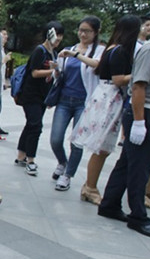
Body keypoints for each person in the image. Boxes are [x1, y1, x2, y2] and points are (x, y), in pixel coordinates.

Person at [98, 7, 150, 239]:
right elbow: (138, 86)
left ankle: (110, 204)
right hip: (147, 112)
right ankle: (138, 216)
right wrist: (139, 122)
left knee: (128, 162)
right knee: (140, 167)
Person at [71, 16, 141, 204]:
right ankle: (90, 187)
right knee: (102, 147)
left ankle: (89, 186)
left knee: (102, 147)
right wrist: (139, 74)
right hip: (110, 98)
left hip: (104, 95)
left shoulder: (111, 48)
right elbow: (118, 79)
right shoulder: (120, 51)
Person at [48, 16, 103, 191]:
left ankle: (67, 175)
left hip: (84, 102)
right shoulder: (69, 49)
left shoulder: (99, 50)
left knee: (77, 142)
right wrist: (56, 70)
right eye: (81, 30)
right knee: (55, 139)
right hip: (65, 100)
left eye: (87, 31)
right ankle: (62, 162)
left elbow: (96, 65)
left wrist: (76, 55)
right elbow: (60, 74)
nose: (83, 34)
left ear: (96, 32)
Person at [14, 21, 64, 176]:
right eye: (56, 36)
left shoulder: (53, 53)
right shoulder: (40, 51)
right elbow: (34, 73)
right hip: (31, 94)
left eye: (60, 36)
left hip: (43, 95)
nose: (58, 39)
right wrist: (53, 71)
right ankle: (31, 160)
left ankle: (21, 156)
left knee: (31, 124)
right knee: (36, 126)